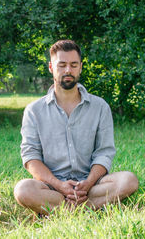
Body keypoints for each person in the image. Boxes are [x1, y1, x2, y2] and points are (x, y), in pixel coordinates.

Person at [14, 40, 138, 215]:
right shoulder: (34, 111)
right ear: (51, 67)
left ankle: (66, 209)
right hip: (51, 187)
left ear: (80, 67)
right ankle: (86, 209)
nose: (68, 71)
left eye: (73, 65)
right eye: (62, 65)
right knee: (23, 190)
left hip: (91, 186)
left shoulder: (100, 107)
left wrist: (87, 184)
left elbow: (104, 152)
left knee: (129, 180)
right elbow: (30, 157)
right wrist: (59, 186)